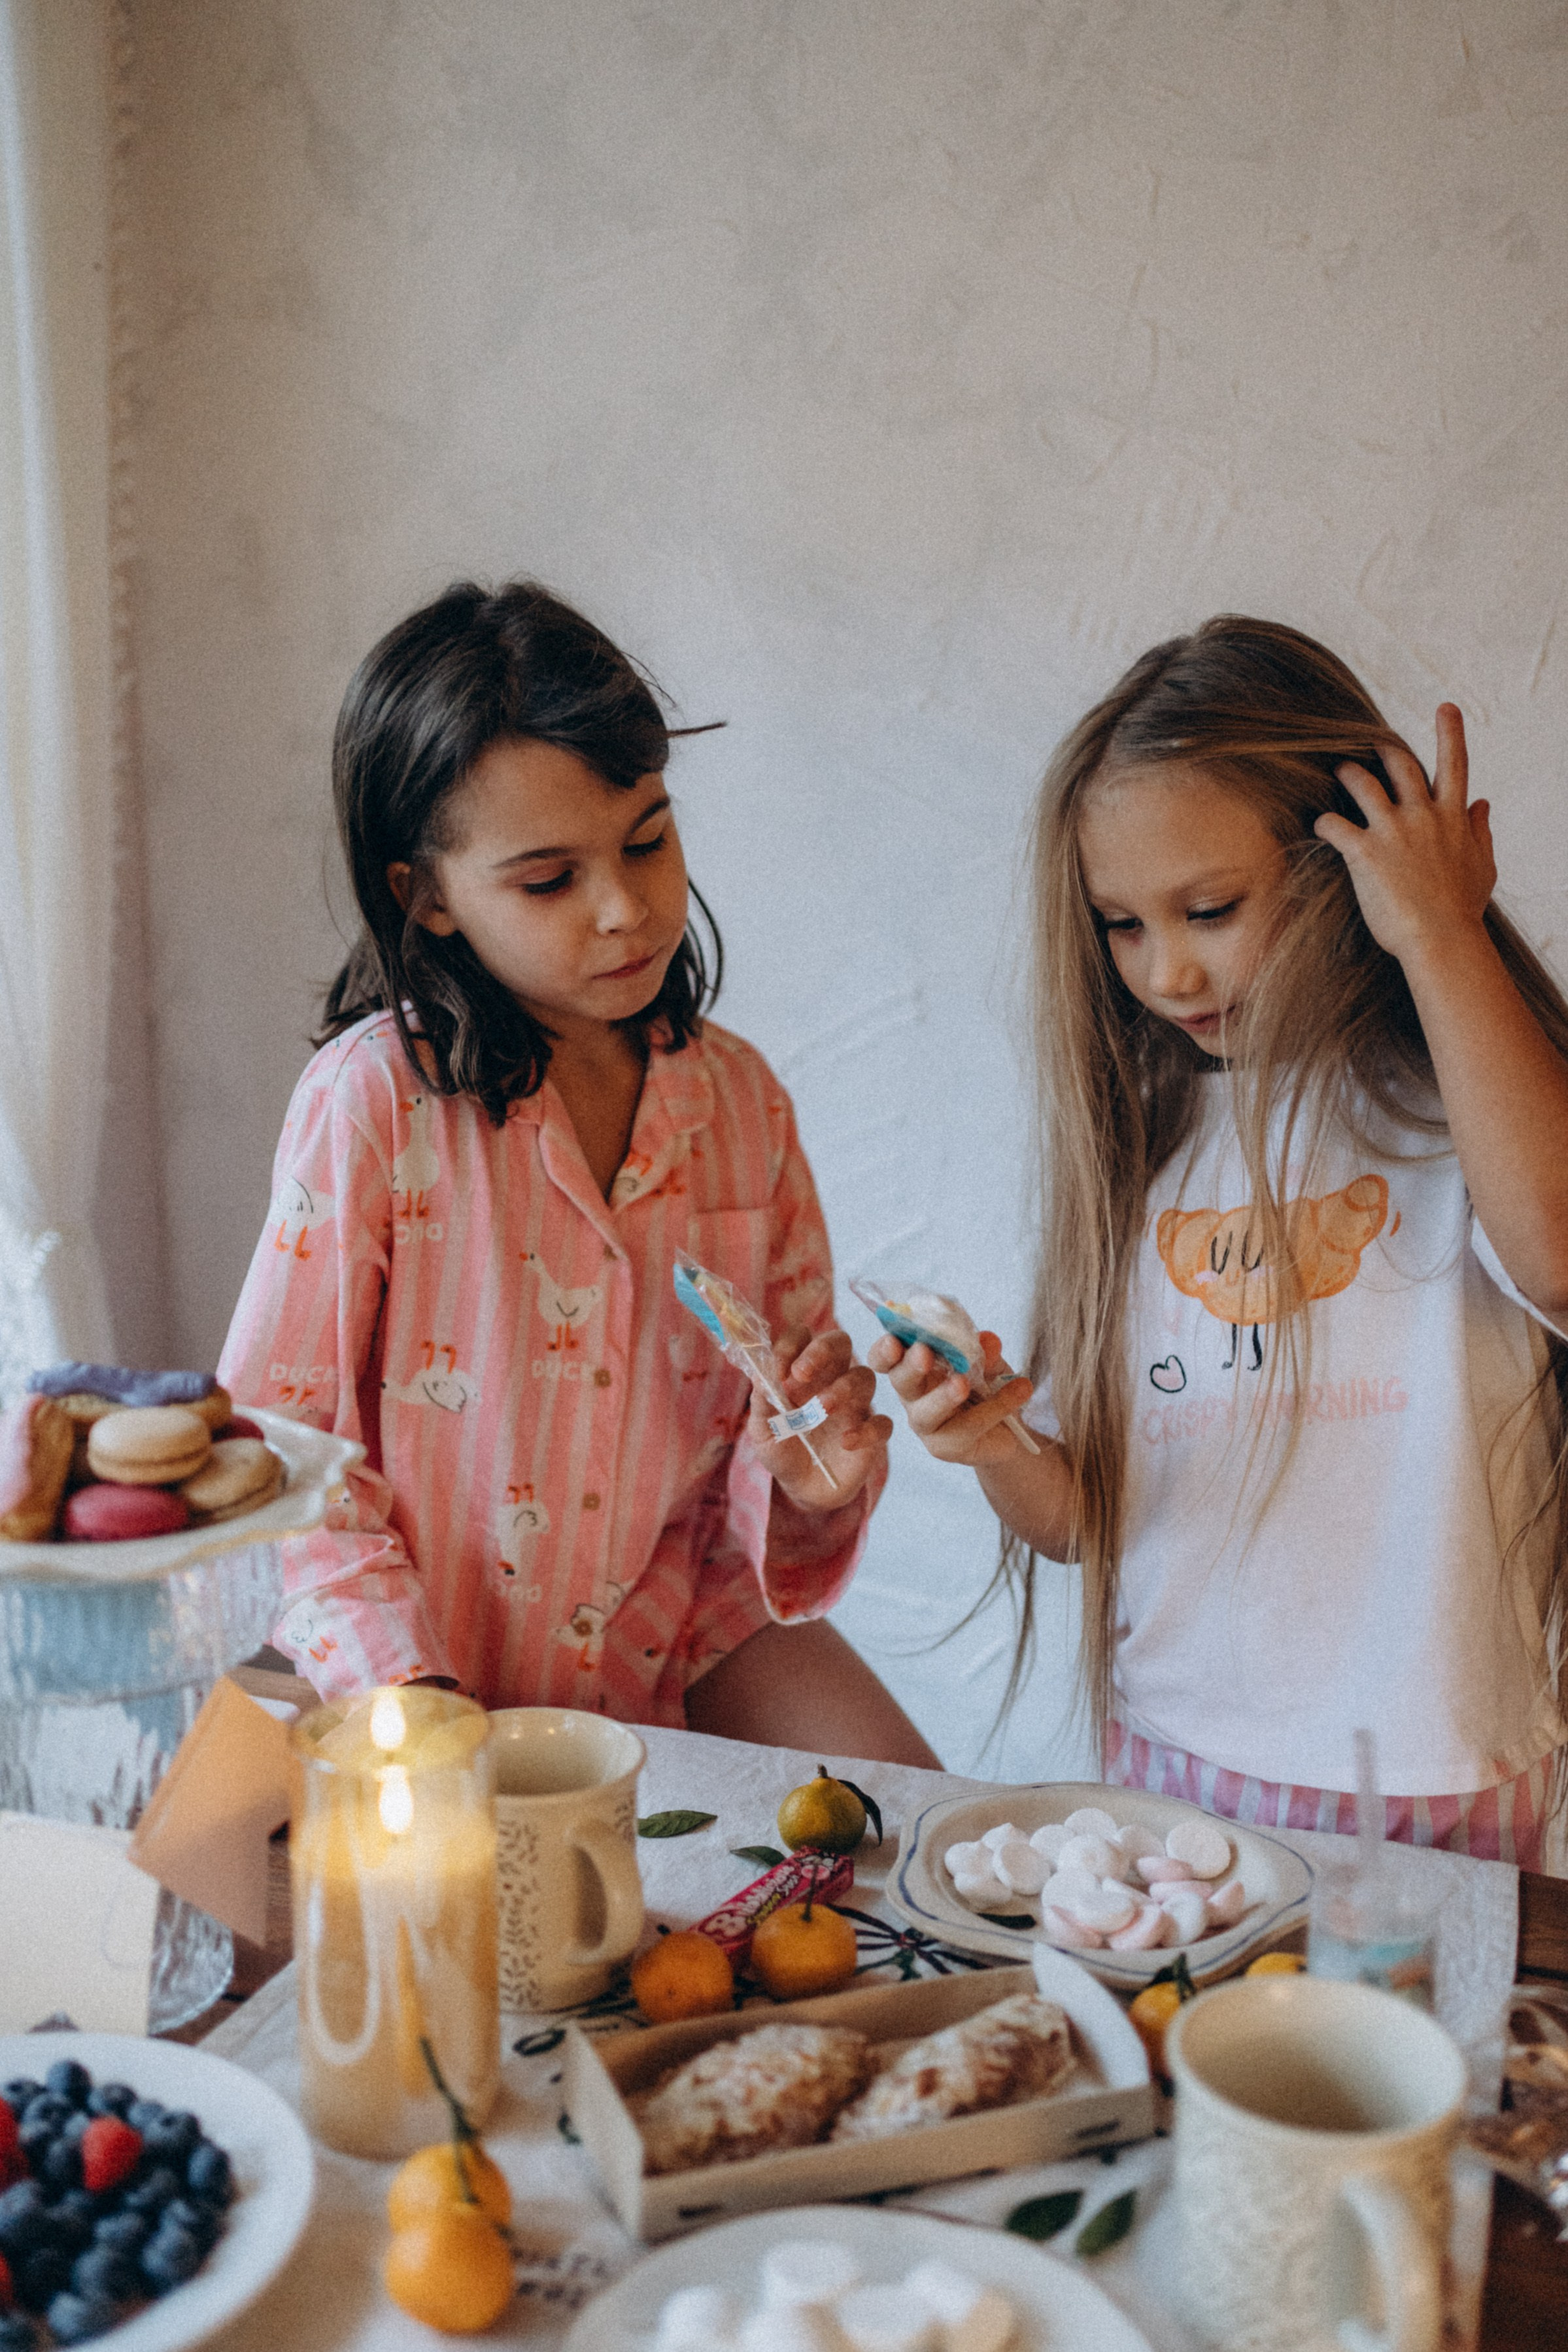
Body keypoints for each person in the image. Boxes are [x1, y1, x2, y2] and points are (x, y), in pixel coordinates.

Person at [874, 616, 1568, 1864]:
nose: (1167, 972)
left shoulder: (1457, 1101)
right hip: (1169, 1759)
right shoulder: (1139, 1141)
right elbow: (1089, 1519)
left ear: (1350, 862)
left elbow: (1558, 1257)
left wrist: (1443, 933)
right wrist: (993, 1444)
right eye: (1121, 926)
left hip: (1430, 1779)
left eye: (1207, 908)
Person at [221, 579, 938, 1765]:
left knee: (914, 1836)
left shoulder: (741, 1102)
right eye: (549, 880)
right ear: (426, 896)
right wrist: (416, 1700)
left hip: (677, 1644)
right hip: (409, 1660)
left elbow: (753, 1489)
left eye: (648, 838)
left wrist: (813, 1480)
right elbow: (276, 1457)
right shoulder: (375, 1102)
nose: (624, 909)